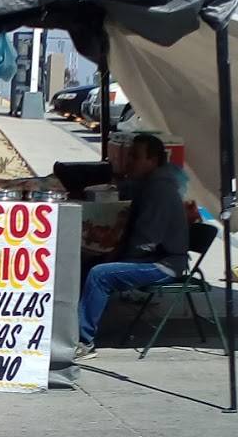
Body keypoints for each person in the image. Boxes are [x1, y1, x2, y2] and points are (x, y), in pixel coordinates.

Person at [75, 133, 189, 359]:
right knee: (88, 262)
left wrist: (119, 258)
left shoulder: (160, 190)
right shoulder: (150, 185)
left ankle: (84, 341)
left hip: (163, 264)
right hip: (152, 258)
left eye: (135, 157)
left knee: (100, 274)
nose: (129, 163)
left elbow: (147, 241)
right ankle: (72, 326)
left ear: (153, 160)